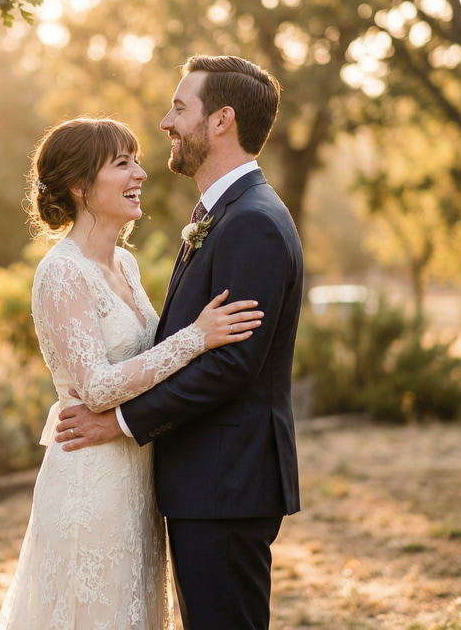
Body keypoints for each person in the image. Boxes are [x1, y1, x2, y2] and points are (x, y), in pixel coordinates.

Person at [55, 55, 304, 630]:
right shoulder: (226, 216)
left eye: (179, 108)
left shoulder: (252, 223)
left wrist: (119, 423)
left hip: (226, 483)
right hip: (208, 482)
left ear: (221, 120)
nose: (165, 123)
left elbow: (231, 367)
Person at [0, 116, 264, 629]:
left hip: (138, 475)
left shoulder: (126, 265)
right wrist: (196, 338)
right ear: (79, 185)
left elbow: (144, 363)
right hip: (89, 476)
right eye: (123, 164)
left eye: (137, 160)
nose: (140, 173)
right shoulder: (61, 271)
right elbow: (95, 387)